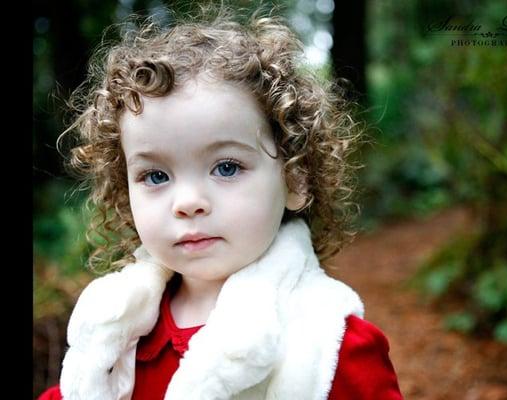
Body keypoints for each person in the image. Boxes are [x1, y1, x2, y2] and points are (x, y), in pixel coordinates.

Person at [38, 3, 404, 399]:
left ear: (295, 178)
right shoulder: (111, 332)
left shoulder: (331, 345)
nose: (188, 202)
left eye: (226, 167)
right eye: (155, 176)